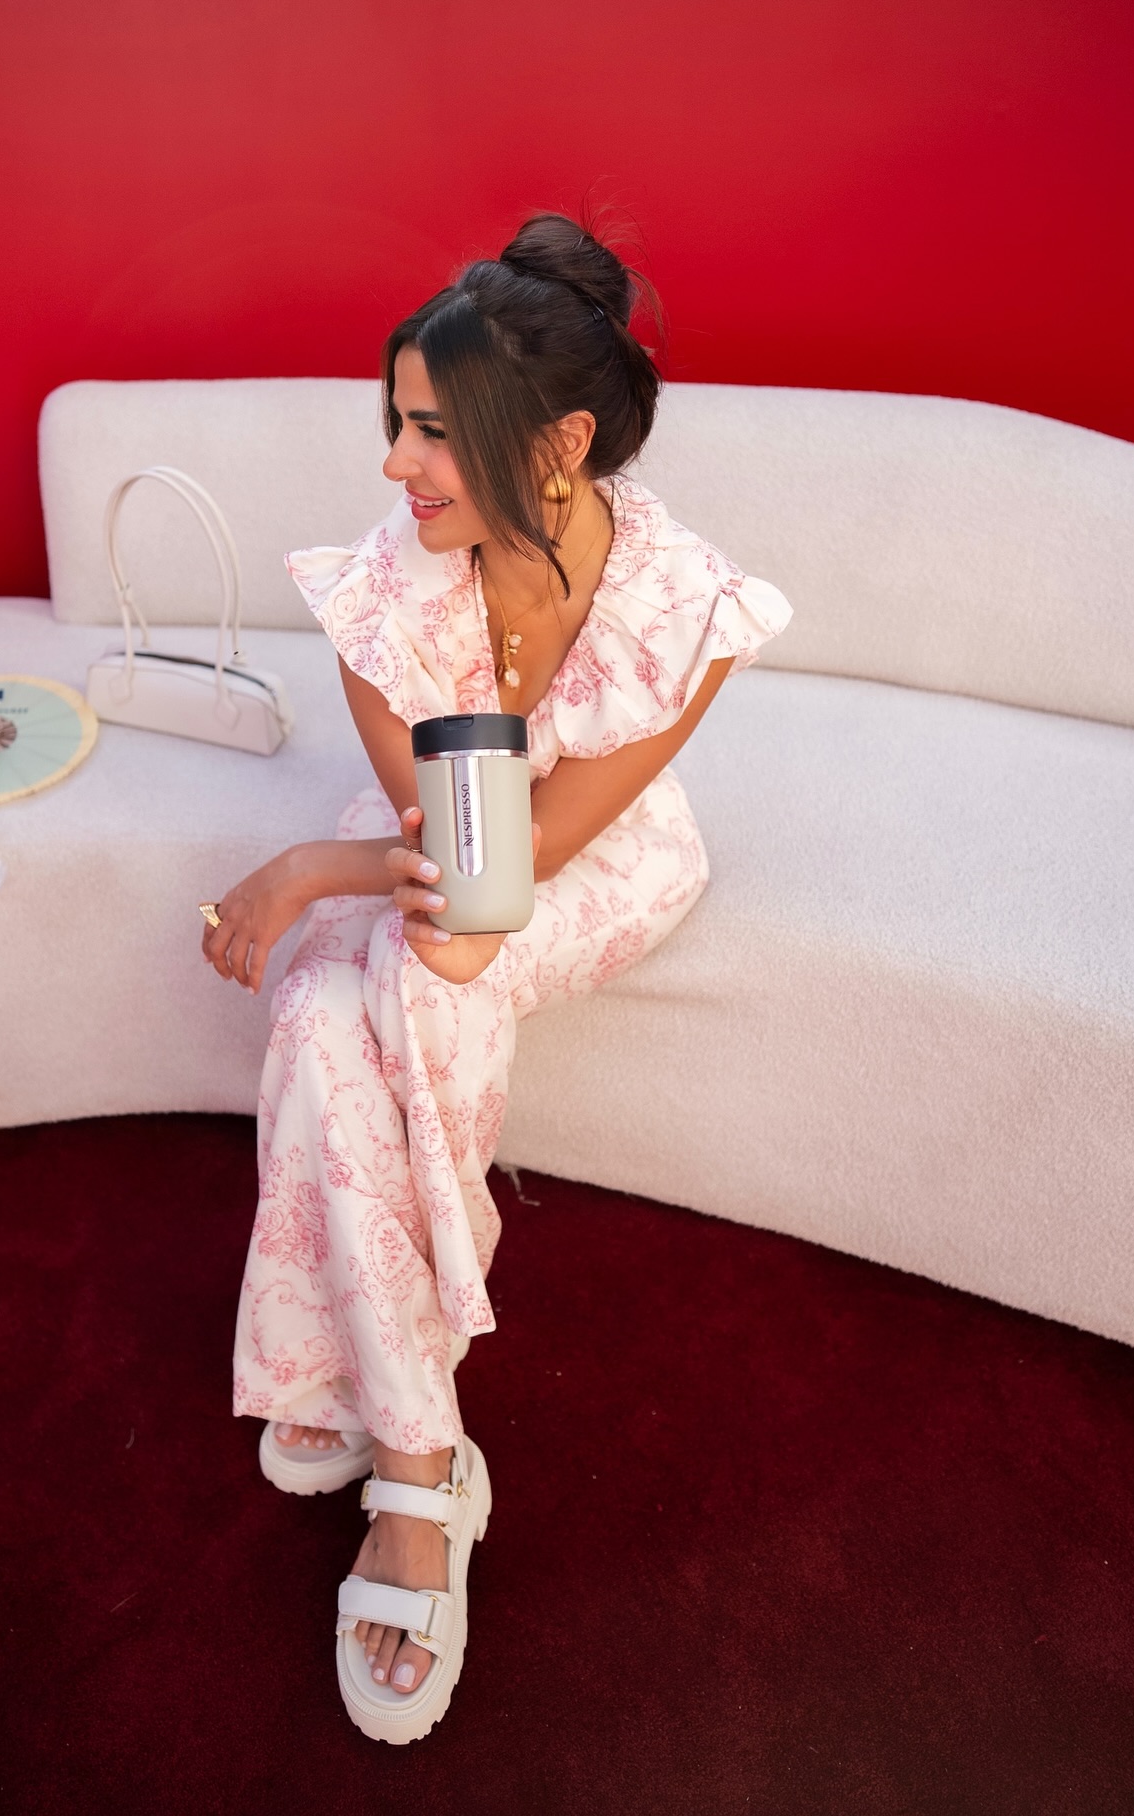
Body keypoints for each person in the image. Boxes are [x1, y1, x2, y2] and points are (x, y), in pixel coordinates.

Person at [199, 213, 794, 1744]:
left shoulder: (680, 602)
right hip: (441, 841)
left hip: (600, 853)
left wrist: (303, 871)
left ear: (561, 442)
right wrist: (348, 873)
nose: (393, 463)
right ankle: (421, 1443)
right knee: (328, 1003)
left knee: (425, 981)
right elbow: (442, 846)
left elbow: (500, 888)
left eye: (431, 430)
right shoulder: (387, 590)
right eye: (395, 420)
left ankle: (389, 1449)